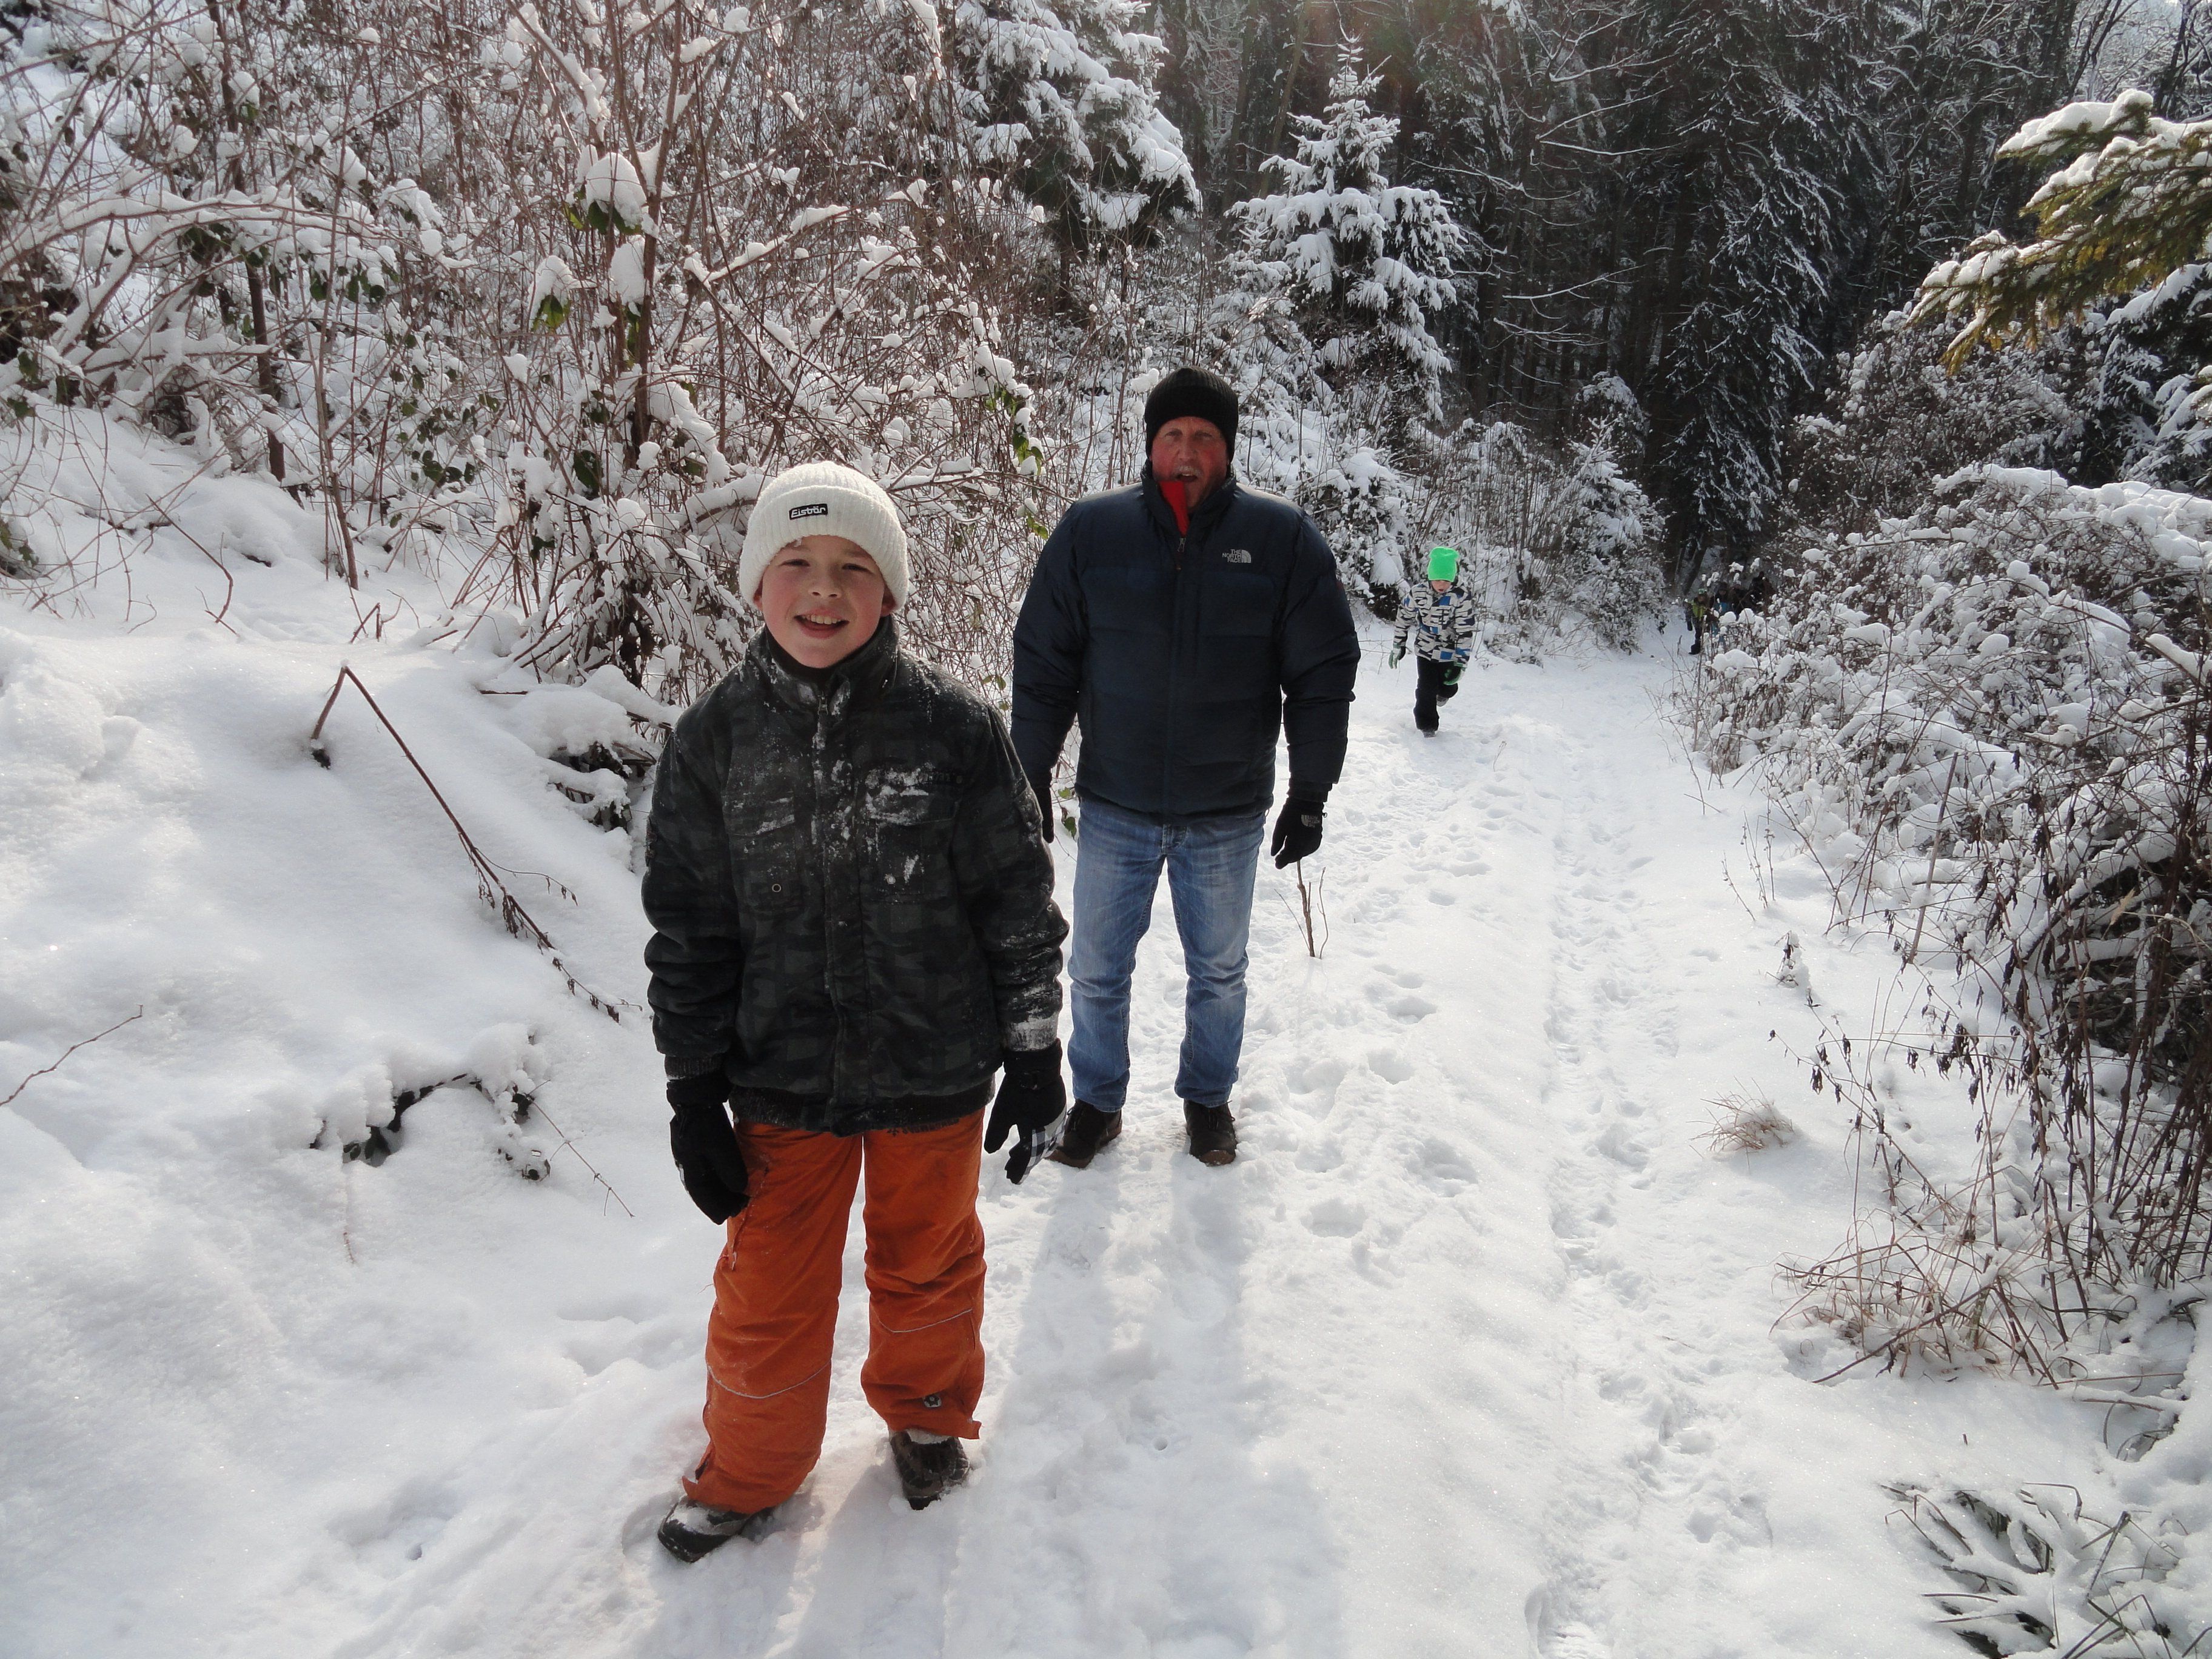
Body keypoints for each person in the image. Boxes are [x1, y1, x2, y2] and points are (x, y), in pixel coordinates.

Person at [640, 461, 1068, 1561]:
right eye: (797, 562)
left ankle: (926, 1419)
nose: (823, 589)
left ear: (889, 592)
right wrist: (692, 1089)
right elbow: (691, 929)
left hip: (933, 1070)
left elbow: (1016, 899)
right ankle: (749, 1470)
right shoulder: (713, 742)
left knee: (930, 1262)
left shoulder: (953, 729)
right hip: (778, 1079)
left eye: (852, 567)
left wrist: (1033, 1050)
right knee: (767, 1291)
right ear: (756, 584)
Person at [1011, 366, 1360, 1170]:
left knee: (1220, 972)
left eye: (1205, 438)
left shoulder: (1281, 541)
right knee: (1096, 971)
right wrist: (1028, 772)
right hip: (1116, 803)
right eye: (1173, 436)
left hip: (1225, 810)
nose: (1188, 453)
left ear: (1228, 450)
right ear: (1151, 445)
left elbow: (1322, 672)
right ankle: (1097, 1104)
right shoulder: (1092, 533)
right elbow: (1045, 661)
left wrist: (1311, 791)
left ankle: (1207, 1100)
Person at [1389, 545, 1472, 734]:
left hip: (1449, 652)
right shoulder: (1418, 593)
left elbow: (1465, 630)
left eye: (1446, 580)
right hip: (1425, 649)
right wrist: (1399, 644)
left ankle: (1445, 693)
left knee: (1447, 687)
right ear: (1430, 577)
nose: (1441, 585)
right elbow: (1404, 616)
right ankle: (1427, 726)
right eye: (1437, 580)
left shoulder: (1460, 597)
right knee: (1425, 689)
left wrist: (1461, 663)